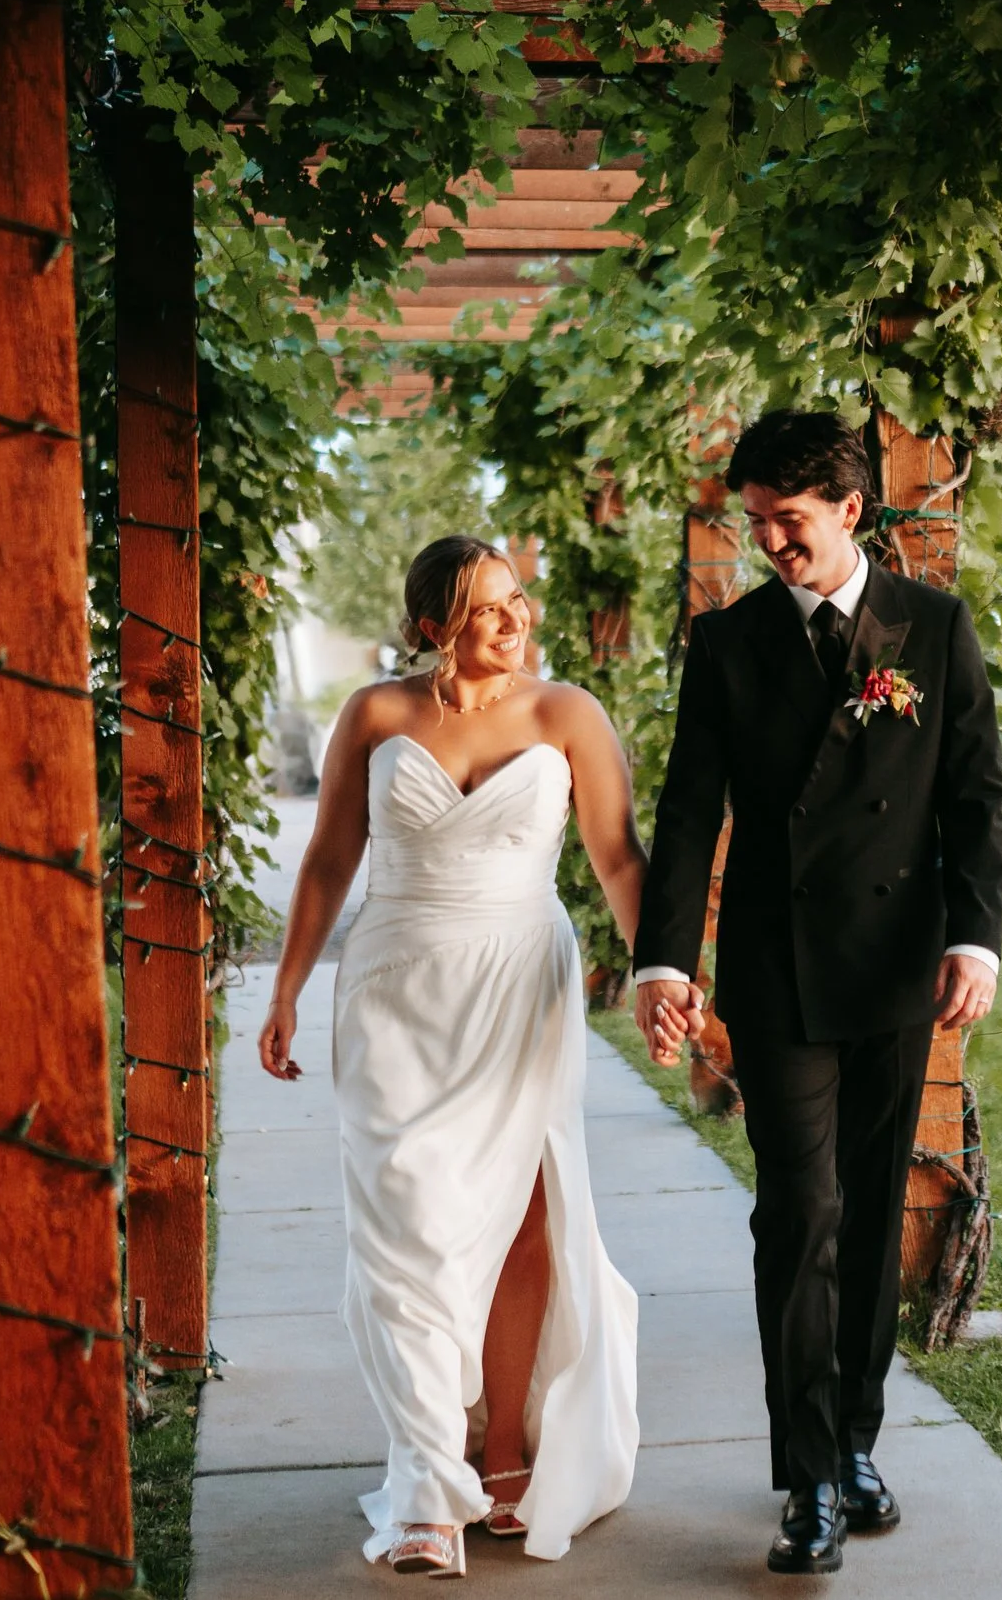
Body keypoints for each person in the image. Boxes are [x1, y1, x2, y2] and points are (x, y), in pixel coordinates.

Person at [630, 410, 1002, 1576]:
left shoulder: (931, 628)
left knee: (869, 1205)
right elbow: (691, 809)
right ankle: (803, 1479)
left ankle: (853, 1444)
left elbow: (974, 796)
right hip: (777, 967)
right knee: (799, 1216)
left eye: (788, 522)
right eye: (755, 525)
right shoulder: (729, 641)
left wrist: (977, 940)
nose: (770, 544)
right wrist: (661, 962)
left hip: (898, 963)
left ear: (850, 509)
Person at [259, 535, 644, 1577]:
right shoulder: (377, 714)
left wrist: (666, 979)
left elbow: (615, 858)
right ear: (433, 623)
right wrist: (288, 986)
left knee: (523, 1212)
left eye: (516, 601)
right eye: (484, 608)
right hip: (394, 986)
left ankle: (508, 1452)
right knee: (407, 1224)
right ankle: (430, 1480)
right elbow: (332, 854)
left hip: (520, 981)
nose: (512, 621)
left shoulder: (567, 715)